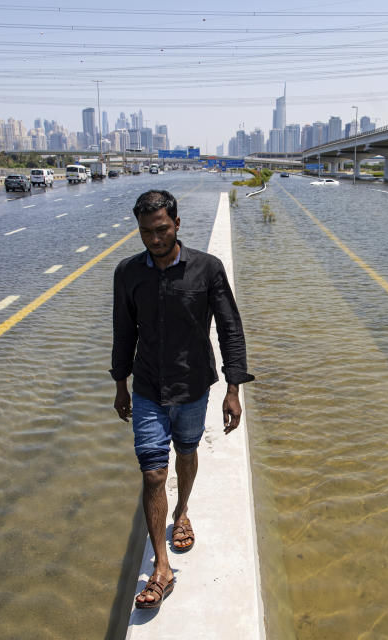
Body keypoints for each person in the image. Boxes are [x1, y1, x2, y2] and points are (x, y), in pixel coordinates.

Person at [111, 189, 254, 611]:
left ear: (177, 224)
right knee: (153, 472)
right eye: (145, 232)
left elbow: (230, 329)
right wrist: (121, 384)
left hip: (193, 387)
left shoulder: (207, 270)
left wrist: (233, 389)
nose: (154, 240)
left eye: (161, 230)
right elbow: (124, 333)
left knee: (187, 452)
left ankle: (183, 511)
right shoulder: (128, 273)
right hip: (149, 388)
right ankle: (161, 566)